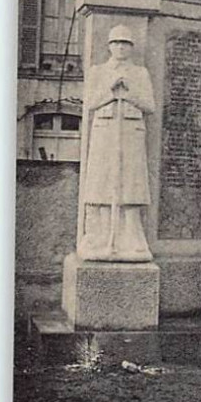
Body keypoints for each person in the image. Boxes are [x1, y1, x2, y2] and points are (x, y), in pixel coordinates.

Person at [78, 24, 156, 262]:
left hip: (131, 133)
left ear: (131, 47)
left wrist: (129, 92)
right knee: (102, 184)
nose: (121, 47)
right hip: (105, 133)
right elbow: (89, 103)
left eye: (125, 43)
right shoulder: (98, 71)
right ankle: (99, 237)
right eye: (116, 43)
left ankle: (131, 239)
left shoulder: (140, 73)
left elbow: (149, 106)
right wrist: (111, 91)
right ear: (109, 46)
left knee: (130, 185)